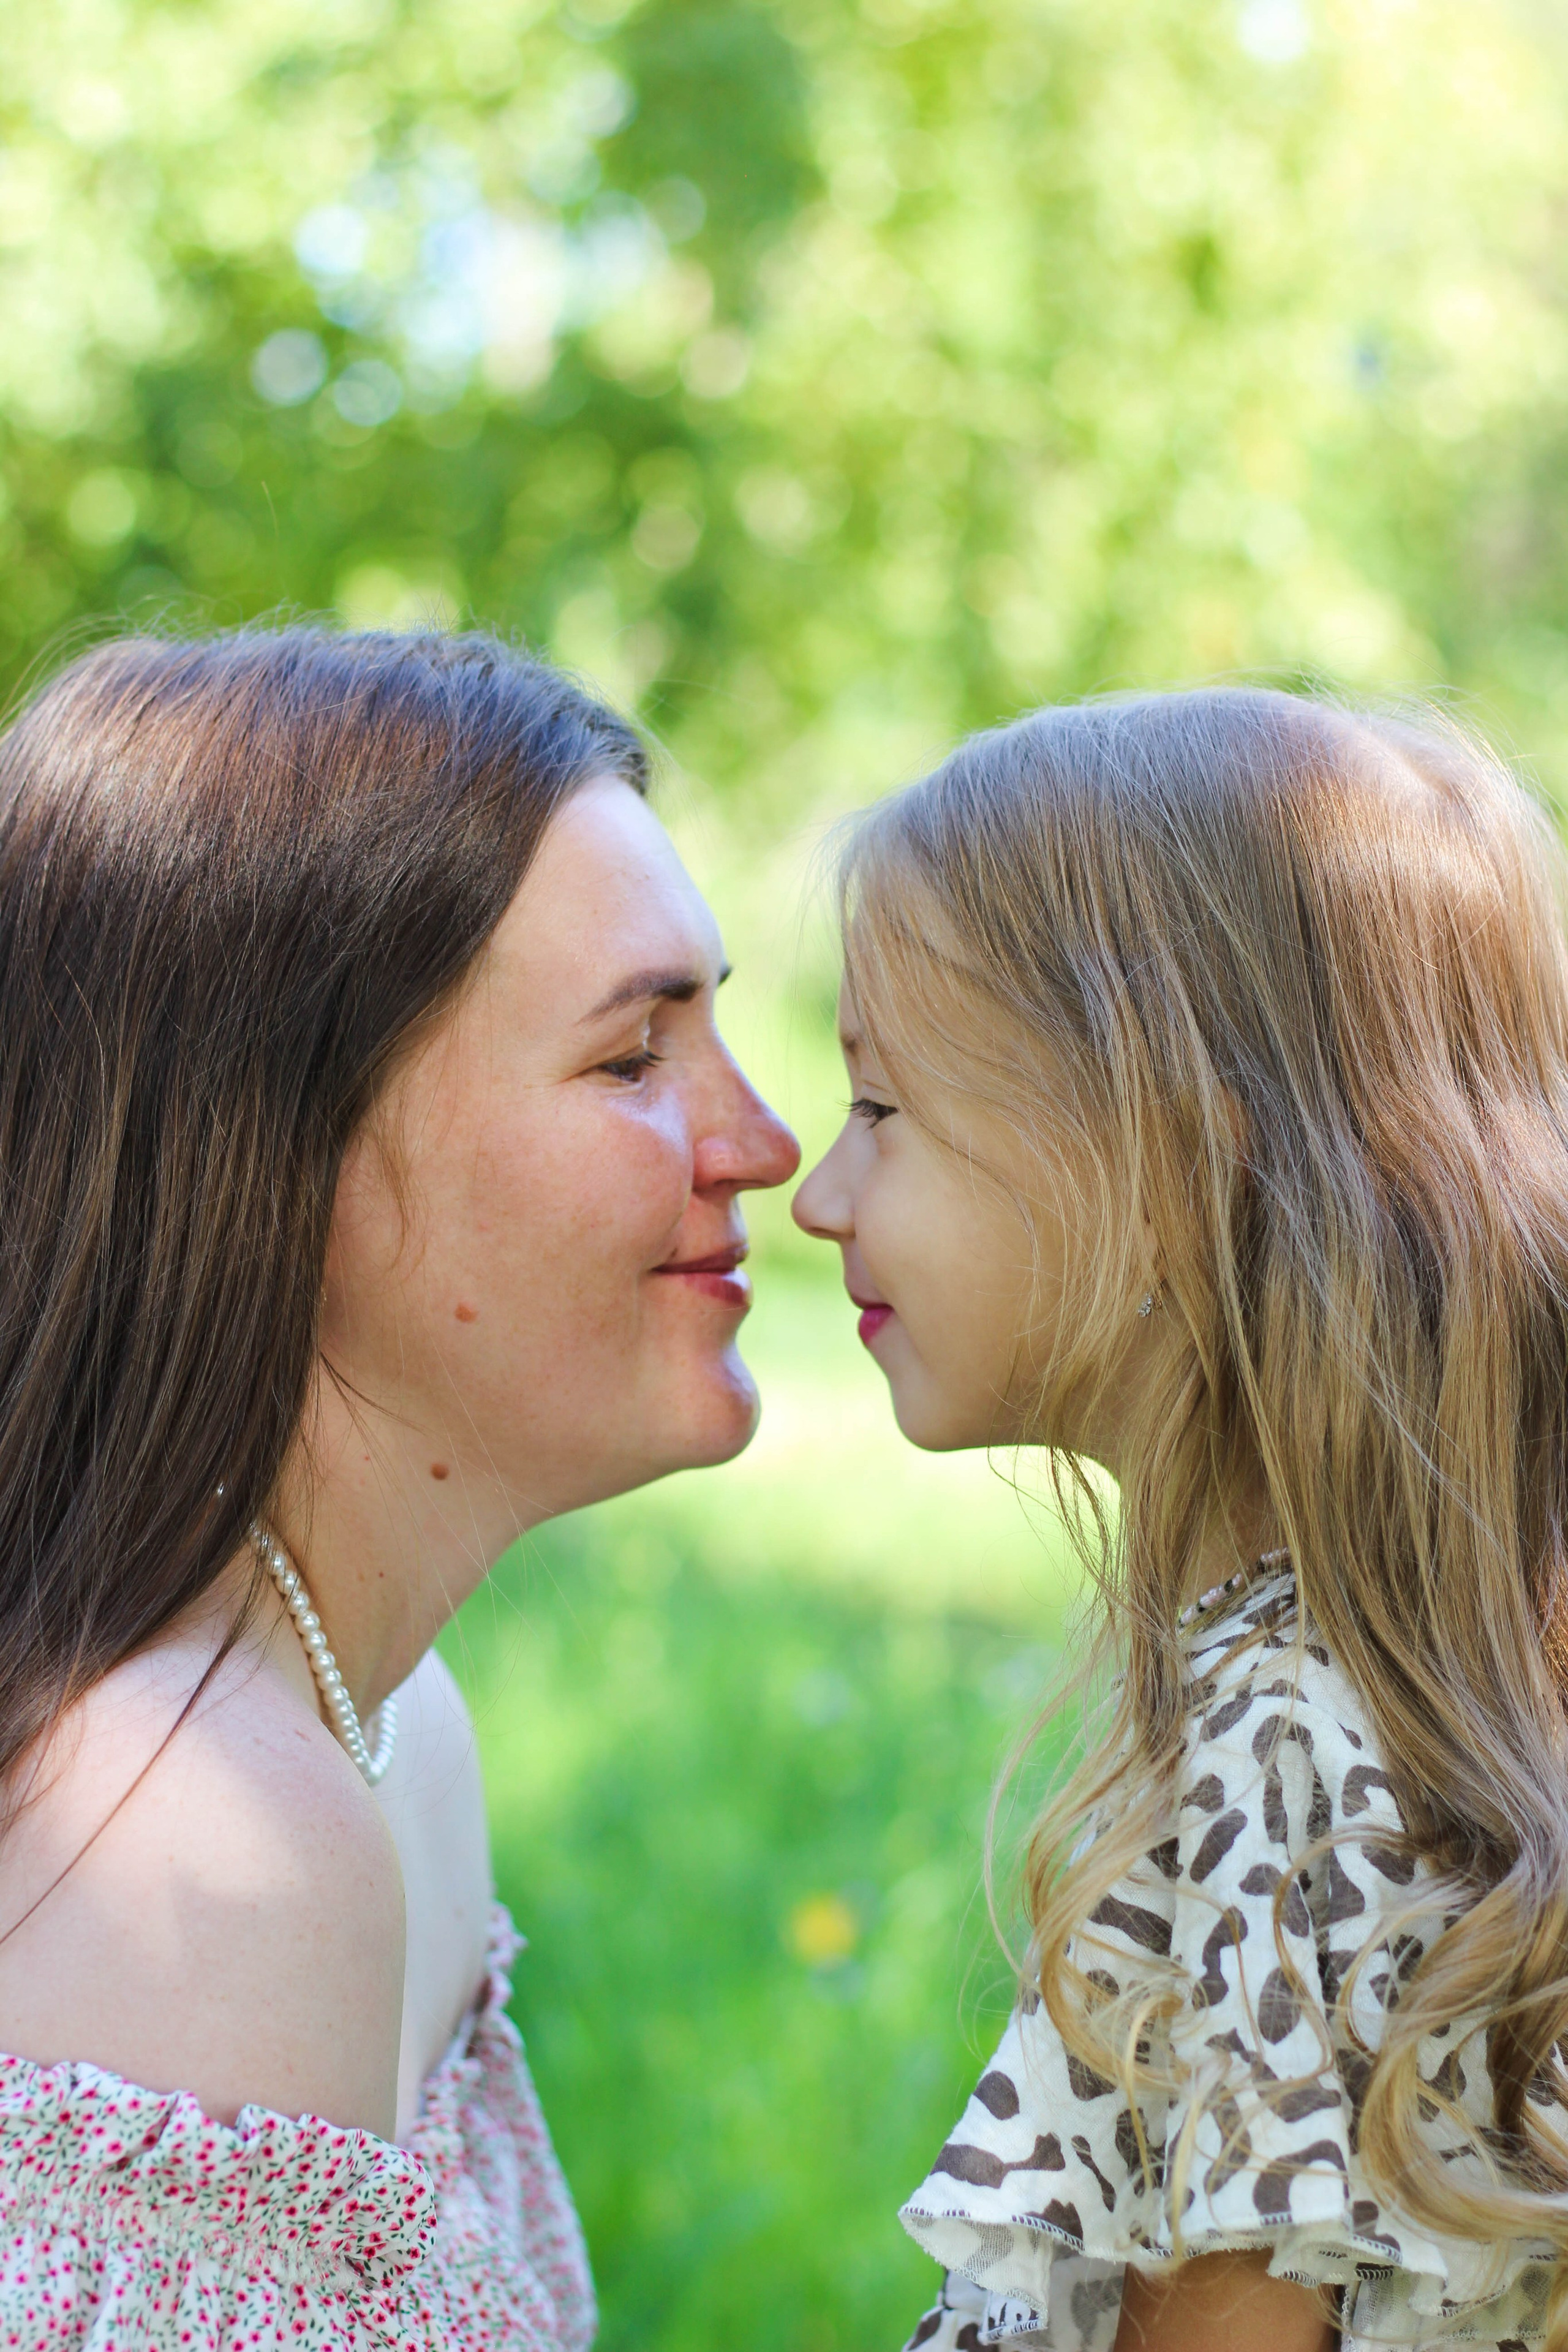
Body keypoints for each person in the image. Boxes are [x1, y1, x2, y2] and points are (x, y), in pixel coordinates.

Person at [0, 627, 799, 2347]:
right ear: (286, 1155)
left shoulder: (389, 1730)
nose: (762, 1142)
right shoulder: (193, 1841)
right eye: (633, 1058)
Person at [793, 688, 1568, 2352]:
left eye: (881, 1111)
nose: (816, 1196)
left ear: (1160, 1168)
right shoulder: (1405, 1692)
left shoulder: (1281, 1766)